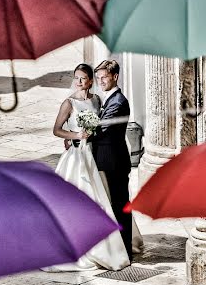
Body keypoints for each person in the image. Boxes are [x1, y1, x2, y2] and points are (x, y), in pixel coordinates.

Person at [43, 64, 130, 272]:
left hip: (93, 156)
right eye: (76, 78)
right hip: (76, 157)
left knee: (99, 199)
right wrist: (75, 136)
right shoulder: (69, 103)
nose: (79, 82)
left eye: (83, 78)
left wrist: (89, 135)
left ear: (90, 81)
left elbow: (100, 125)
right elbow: (57, 130)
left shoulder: (97, 100)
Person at [89, 60, 136, 261]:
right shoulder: (109, 98)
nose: (100, 81)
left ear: (115, 76)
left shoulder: (118, 102)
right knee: (114, 205)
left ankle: (125, 249)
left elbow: (102, 130)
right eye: (98, 78)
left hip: (114, 161)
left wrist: (78, 135)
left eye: (104, 77)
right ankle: (118, 247)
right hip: (108, 160)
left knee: (120, 205)